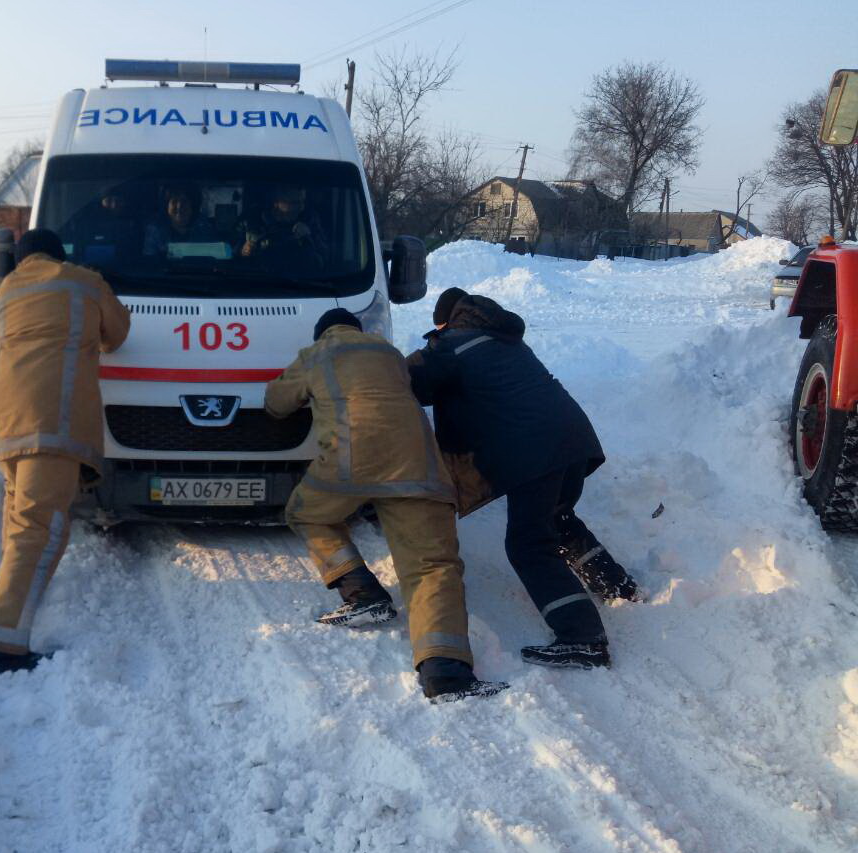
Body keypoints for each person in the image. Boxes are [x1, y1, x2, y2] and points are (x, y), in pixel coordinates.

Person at [265, 308, 507, 704]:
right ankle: (446, 673)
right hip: (417, 465)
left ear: (321, 332)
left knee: (306, 512)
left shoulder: (316, 354)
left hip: (349, 462)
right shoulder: (388, 352)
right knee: (432, 565)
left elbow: (276, 403)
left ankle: (361, 592)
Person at [407, 288, 640, 670]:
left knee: (528, 544)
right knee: (558, 520)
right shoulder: (501, 337)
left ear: (446, 322)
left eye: (438, 327)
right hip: (572, 438)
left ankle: (583, 637)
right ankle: (618, 587)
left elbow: (406, 378)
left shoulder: (451, 345)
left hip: (537, 451)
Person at [0, 228, 131, 673]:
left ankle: (3, 608)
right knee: (39, 529)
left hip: (0, 417)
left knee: (21, 520)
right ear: (59, 254)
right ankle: (1, 642)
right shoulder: (82, 281)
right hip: (50, 416)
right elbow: (116, 333)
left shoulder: (3, 292)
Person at [238, 185, 325, 271]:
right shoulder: (252, 221)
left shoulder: (310, 220)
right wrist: (244, 251)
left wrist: (306, 238)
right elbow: (231, 257)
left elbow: (321, 263)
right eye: (294, 203)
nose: (300, 208)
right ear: (276, 203)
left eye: (302, 202)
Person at [143, 184, 217, 256]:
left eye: (184, 201)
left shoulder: (205, 228)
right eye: (174, 201)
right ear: (167, 206)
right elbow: (150, 261)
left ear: (193, 205)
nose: (179, 206)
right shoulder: (155, 230)